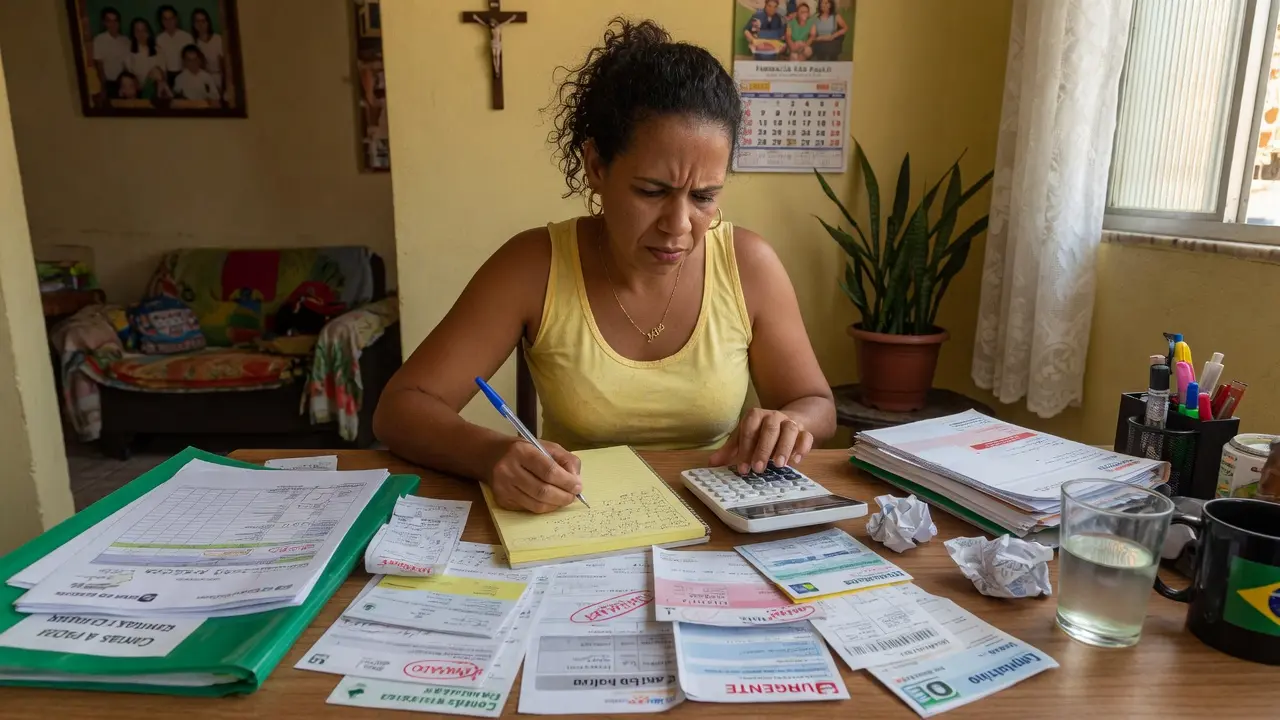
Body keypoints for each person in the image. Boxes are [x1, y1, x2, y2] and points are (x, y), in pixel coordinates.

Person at [374, 19, 836, 514]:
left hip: (718, 521)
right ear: (596, 167)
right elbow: (402, 408)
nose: (679, 225)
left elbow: (815, 403)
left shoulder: (748, 265)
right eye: (652, 191)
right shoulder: (534, 266)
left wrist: (790, 425)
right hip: (576, 521)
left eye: (704, 196)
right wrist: (491, 454)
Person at [125, 18, 170, 100]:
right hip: (137, 89)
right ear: (133, 33)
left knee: (156, 71)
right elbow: (129, 76)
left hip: (155, 87)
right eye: (137, 31)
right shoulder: (129, 53)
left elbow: (163, 74)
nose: (141, 34)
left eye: (143, 30)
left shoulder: (158, 50)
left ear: (148, 32)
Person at [91, 6, 130, 99]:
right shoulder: (99, 40)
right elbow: (99, 65)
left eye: (115, 21)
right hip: (108, 82)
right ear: (104, 23)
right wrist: (103, 86)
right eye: (109, 21)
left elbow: (127, 64)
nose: (113, 24)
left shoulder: (125, 40)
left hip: (124, 83)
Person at [155, 5, 194, 86]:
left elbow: (191, 59)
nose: (168, 22)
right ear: (161, 21)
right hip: (167, 76)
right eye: (165, 19)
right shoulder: (159, 39)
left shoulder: (186, 37)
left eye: (171, 18)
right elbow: (160, 63)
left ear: (176, 19)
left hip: (185, 75)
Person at [191, 8, 227, 93]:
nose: (200, 25)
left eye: (203, 21)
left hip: (219, 78)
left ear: (208, 23)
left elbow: (224, 65)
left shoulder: (218, 39)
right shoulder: (194, 43)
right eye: (197, 21)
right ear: (194, 24)